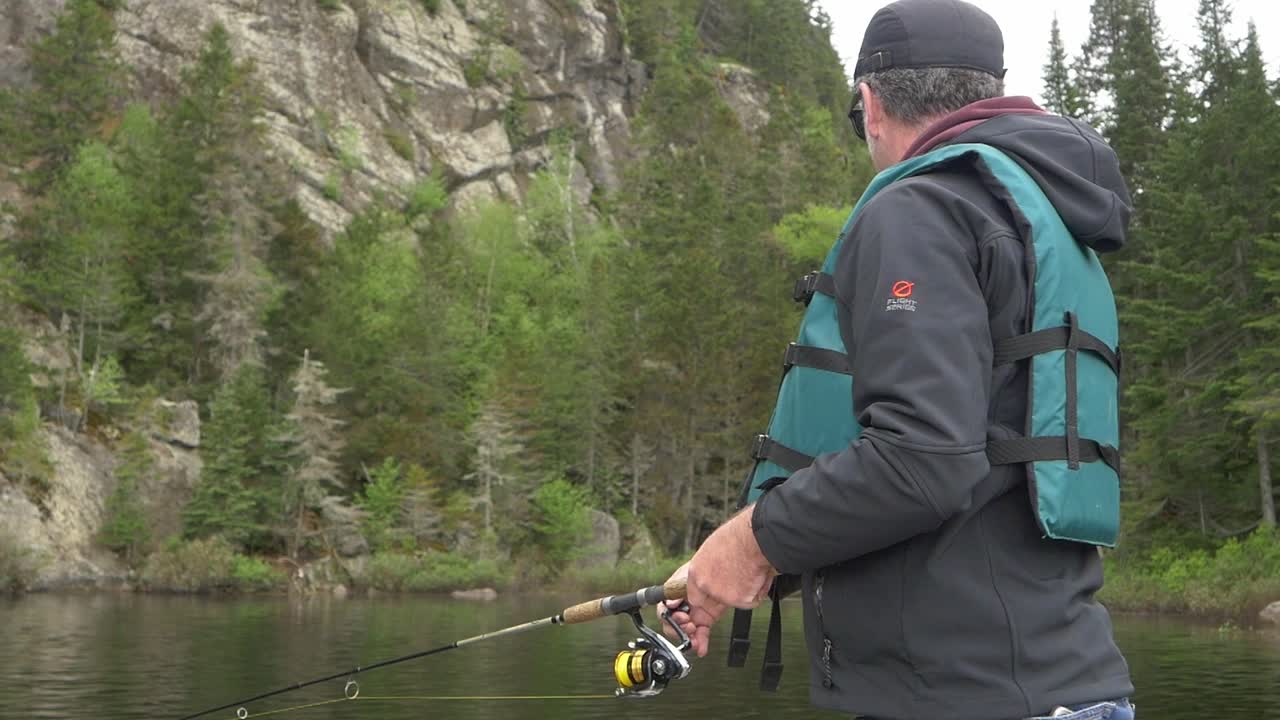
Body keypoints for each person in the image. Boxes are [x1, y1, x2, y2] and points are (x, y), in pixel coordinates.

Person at [662, 1, 1136, 719]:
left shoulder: (919, 208)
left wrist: (752, 540)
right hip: (1061, 685)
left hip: (966, 699)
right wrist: (739, 565)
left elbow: (922, 459)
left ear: (871, 105)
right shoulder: (1033, 214)